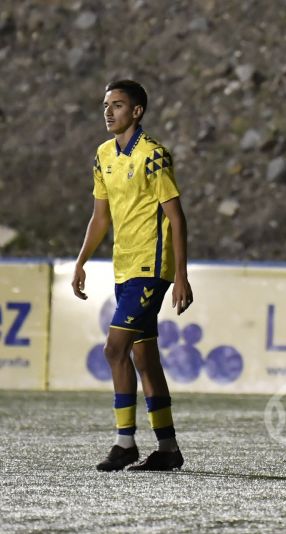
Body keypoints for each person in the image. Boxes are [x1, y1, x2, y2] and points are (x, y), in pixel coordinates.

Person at [72, 79, 193, 472]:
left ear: (136, 111)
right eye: (106, 105)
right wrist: (81, 261)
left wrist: (181, 275)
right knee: (144, 358)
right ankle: (169, 449)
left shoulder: (154, 156)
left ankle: (125, 443)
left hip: (151, 268)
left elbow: (176, 217)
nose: (109, 111)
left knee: (113, 349)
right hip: (123, 267)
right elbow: (100, 216)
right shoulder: (103, 154)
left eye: (118, 105)